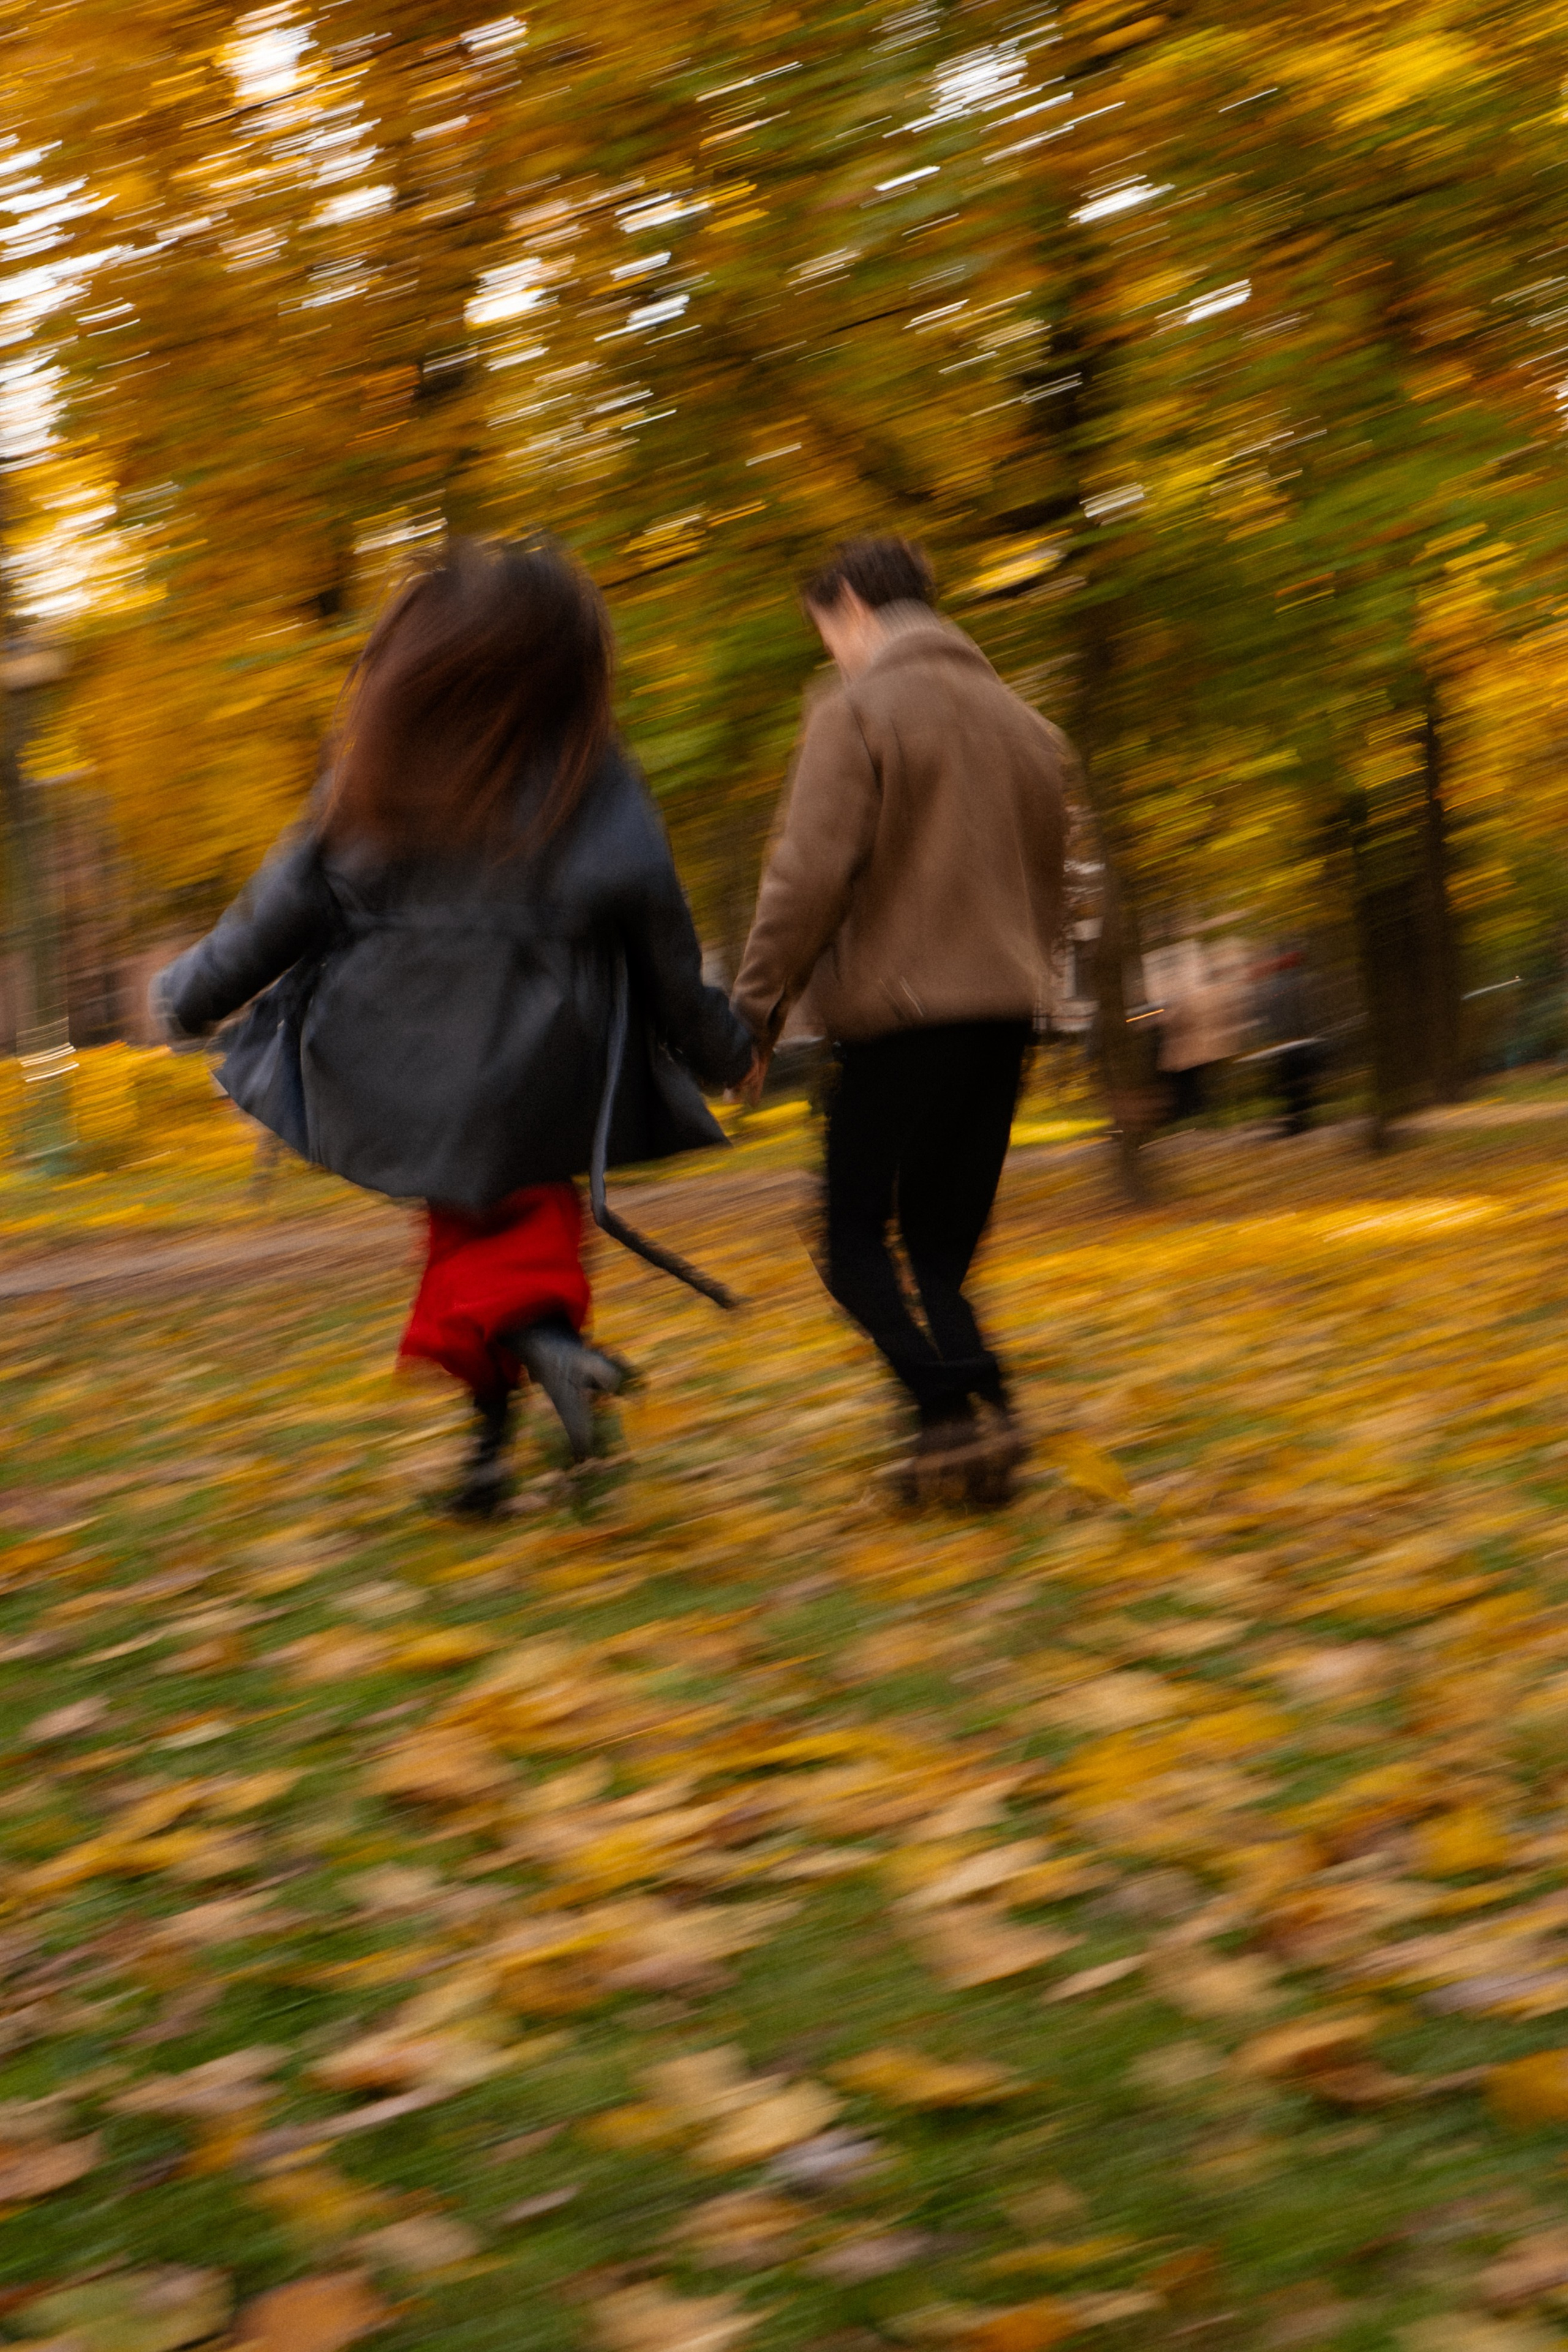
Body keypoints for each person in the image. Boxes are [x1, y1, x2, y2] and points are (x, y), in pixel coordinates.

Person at [153, 536, 753, 1515]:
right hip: (543, 1066)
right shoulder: (592, 777)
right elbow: (662, 939)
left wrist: (189, 995)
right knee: (530, 1233)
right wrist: (722, 1050)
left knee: (467, 1235)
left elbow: (282, 906)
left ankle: (487, 1462)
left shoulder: (381, 770)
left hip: (398, 1058)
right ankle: (546, 1359)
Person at [731, 535, 1071, 1503]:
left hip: (901, 1020)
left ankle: (952, 1409)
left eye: (826, 631)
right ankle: (973, 1438)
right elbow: (1059, 887)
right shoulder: (1028, 727)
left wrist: (754, 1015)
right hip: (1007, 1016)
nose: (830, 653)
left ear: (852, 605)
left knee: (849, 1244)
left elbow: (806, 881)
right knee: (939, 1254)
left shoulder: (858, 709)